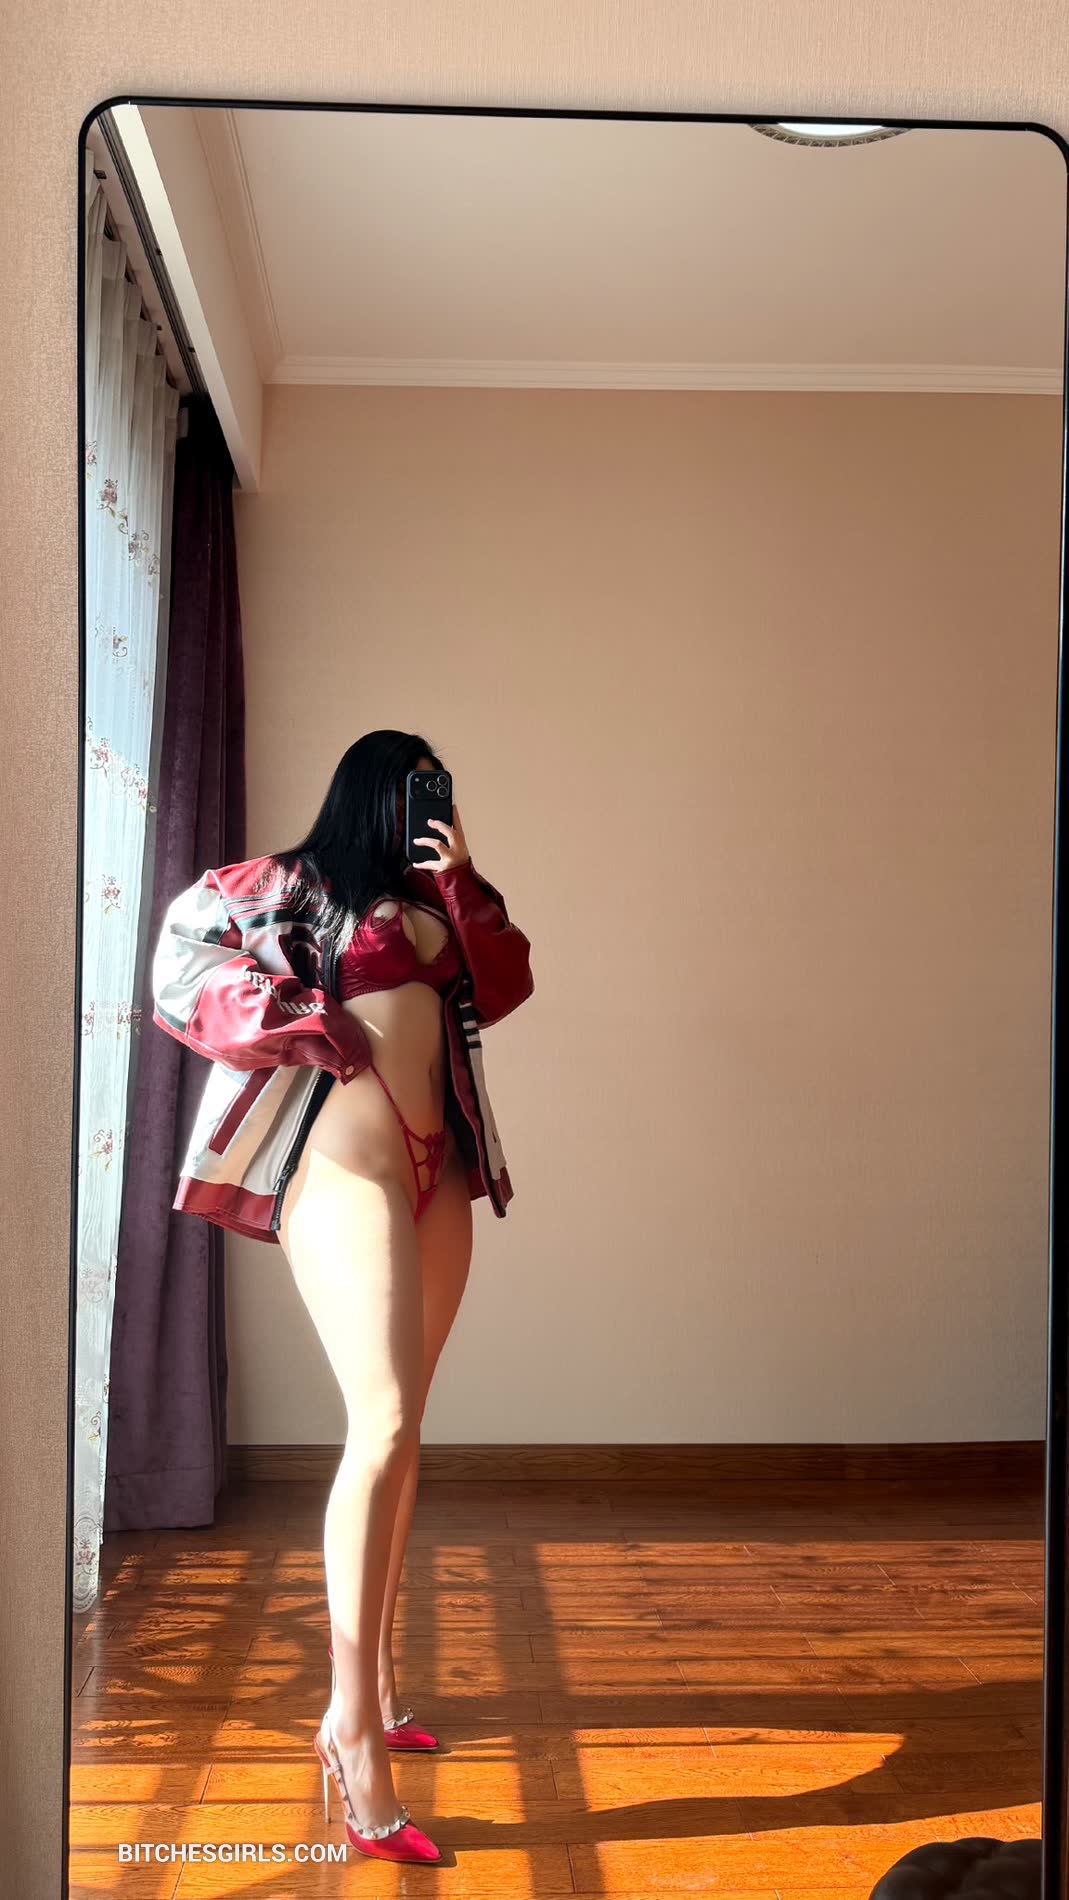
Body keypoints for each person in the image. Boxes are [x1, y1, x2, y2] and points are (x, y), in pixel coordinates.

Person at [151, 729, 534, 1863]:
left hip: (440, 1165)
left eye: (438, 787)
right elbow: (182, 958)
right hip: (345, 1160)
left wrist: (462, 878)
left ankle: (384, 1680)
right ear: (370, 792)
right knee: (383, 1424)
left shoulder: (442, 896)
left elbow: (507, 985)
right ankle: (350, 1726)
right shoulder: (292, 883)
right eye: (412, 787)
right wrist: (295, 1019)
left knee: (406, 1433)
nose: (429, 801)